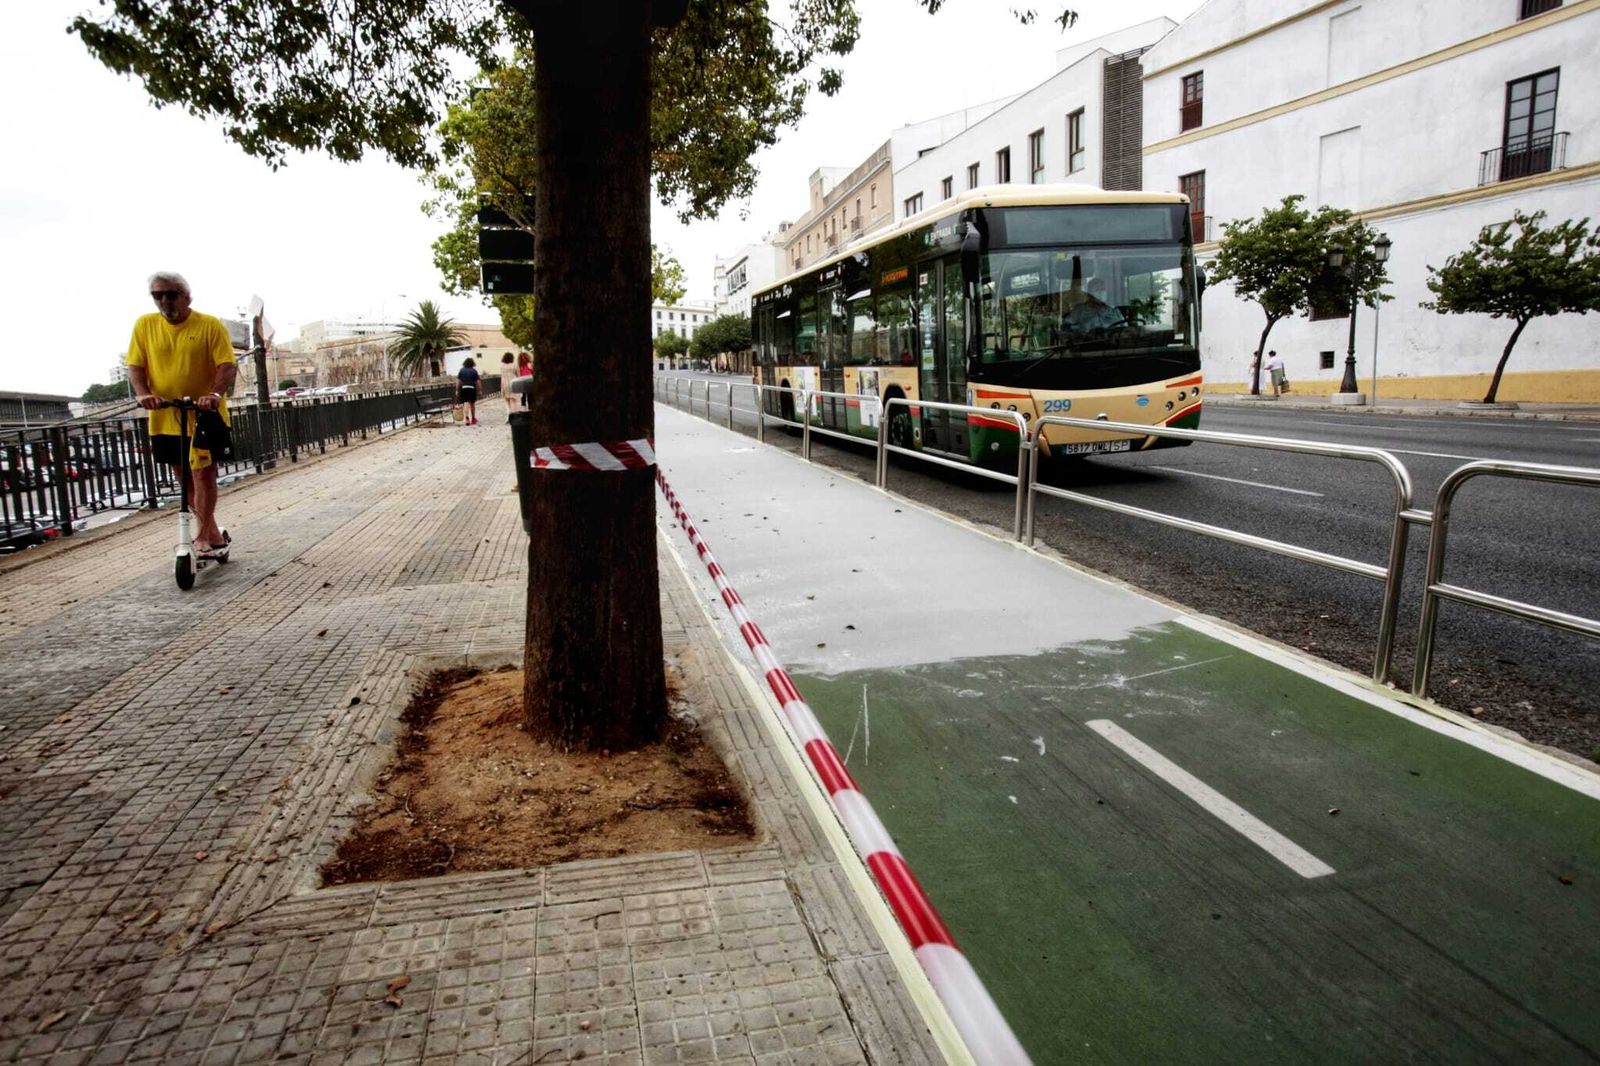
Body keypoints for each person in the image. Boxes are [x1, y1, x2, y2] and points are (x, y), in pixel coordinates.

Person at [127, 271, 236, 556]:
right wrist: (143, 394)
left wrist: (213, 395)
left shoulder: (209, 325)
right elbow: (136, 366)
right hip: (165, 414)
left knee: (203, 474)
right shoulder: (145, 325)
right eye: (158, 295)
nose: (164, 300)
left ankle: (200, 538)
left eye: (171, 294)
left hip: (203, 415)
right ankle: (212, 533)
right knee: (183, 476)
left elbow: (226, 365)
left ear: (187, 296)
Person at [456, 358, 481, 424]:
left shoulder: (461, 370)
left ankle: (466, 418)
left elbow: (458, 381)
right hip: (472, 388)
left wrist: (457, 390)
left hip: (463, 388)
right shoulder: (474, 371)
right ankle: (473, 419)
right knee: (472, 404)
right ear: (472, 363)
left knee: (465, 403)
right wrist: (479, 390)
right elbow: (478, 382)